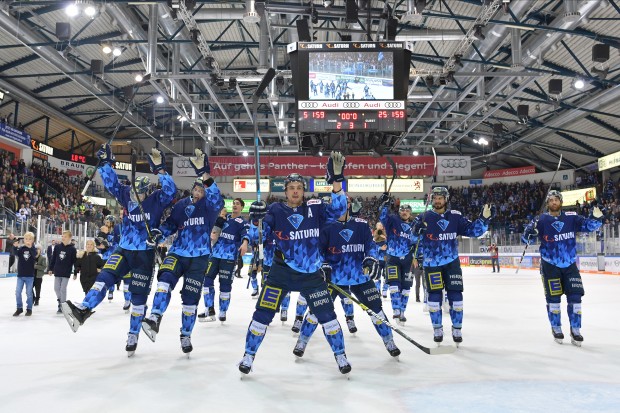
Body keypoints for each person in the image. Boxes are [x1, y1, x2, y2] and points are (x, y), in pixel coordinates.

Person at [238, 151, 350, 375]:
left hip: (311, 274)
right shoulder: (276, 210)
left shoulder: (316, 208)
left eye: (299, 187)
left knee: (327, 316)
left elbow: (339, 210)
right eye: (291, 187)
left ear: (303, 190)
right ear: (285, 191)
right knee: (262, 314)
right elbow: (259, 232)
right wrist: (256, 220)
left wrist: (337, 183)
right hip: (282, 272)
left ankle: (341, 356)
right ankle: (248, 356)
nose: (296, 190)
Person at [60, 145, 176, 357]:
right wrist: (105, 163)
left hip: (144, 254)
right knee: (104, 277)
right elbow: (112, 183)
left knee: (138, 297)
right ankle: (84, 309)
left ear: (145, 192)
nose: (133, 196)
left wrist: (160, 170)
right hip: (123, 250)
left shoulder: (156, 199)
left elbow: (171, 191)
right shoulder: (125, 194)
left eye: (137, 193)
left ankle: (133, 333)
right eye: (131, 192)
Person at [293, 197, 400, 359]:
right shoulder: (326, 226)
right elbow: (318, 250)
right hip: (333, 278)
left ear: (349, 205)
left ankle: (389, 341)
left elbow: (370, 246)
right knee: (315, 311)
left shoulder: (361, 224)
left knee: (376, 311)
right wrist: (323, 265)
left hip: (359, 277)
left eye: (345, 203)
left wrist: (370, 259)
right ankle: (302, 340)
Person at [141, 148, 224, 355]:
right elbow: (170, 224)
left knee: (190, 300)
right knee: (164, 281)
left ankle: (186, 335)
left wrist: (205, 173)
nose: (198, 193)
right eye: (196, 189)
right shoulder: (181, 205)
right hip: (177, 253)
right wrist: (159, 234)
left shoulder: (211, 206)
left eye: (201, 190)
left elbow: (215, 195)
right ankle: (154, 317)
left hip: (199, 258)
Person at [412, 187, 494, 345]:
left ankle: (457, 329)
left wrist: (484, 220)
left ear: (446, 199)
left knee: (456, 297)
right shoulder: (423, 217)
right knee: (434, 298)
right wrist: (416, 230)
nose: (437, 200)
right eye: (435, 198)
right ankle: (437, 329)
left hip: (452, 262)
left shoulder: (455, 216)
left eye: (440, 198)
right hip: (432, 263)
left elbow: (473, 231)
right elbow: (410, 237)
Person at [521, 191, 603, 346]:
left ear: (561, 202)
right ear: (547, 203)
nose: (553, 202)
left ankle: (575, 329)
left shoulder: (571, 217)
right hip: (550, 265)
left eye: (556, 200)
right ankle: (556, 327)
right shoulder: (540, 219)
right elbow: (526, 239)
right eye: (550, 200)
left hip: (570, 265)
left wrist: (596, 217)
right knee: (553, 299)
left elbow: (589, 226)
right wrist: (529, 233)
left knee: (576, 298)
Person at [199, 198, 249, 322]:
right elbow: (213, 233)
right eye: (233, 204)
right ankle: (209, 308)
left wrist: (245, 243)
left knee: (225, 285)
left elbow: (246, 234)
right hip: (214, 255)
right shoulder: (223, 218)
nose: (234, 206)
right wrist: (220, 219)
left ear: (242, 207)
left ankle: (223, 311)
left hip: (229, 257)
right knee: (206, 280)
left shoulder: (242, 222)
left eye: (237, 204)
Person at [377, 196, 417, 324]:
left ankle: (403, 311)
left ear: (410, 213)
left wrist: (418, 256)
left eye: (407, 211)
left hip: (408, 260)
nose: (404, 212)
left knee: (406, 288)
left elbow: (417, 242)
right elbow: (382, 217)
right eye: (402, 210)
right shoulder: (393, 220)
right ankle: (396, 310)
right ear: (399, 212)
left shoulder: (414, 225)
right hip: (392, 258)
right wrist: (384, 205)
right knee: (394, 285)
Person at [48, 230, 78, 314]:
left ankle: (63, 306)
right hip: (57, 271)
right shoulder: (57, 247)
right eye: (62, 236)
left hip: (66, 272)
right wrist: (50, 268)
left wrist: (75, 272)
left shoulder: (72, 249)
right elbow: (53, 258)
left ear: (69, 238)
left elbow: (75, 261)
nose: (63, 238)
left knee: (63, 289)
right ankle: (60, 301)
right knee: (56, 288)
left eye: (65, 237)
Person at [13, 232, 38, 316]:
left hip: (30, 276)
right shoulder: (21, 249)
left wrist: (30, 247)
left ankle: (29, 309)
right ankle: (19, 308)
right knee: (17, 292)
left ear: (33, 240)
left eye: (30, 239)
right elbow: (16, 253)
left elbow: (34, 255)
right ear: (24, 240)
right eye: (26, 239)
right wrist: (14, 247)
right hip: (20, 275)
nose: (27, 241)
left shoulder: (34, 249)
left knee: (29, 293)